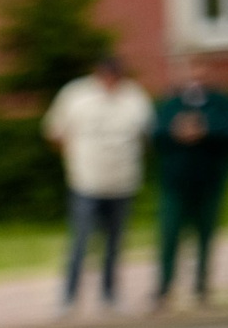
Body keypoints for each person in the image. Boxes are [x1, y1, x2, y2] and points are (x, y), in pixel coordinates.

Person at [44, 54, 152, 312]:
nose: (110, 81)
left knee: (115, 243)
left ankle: (110, 295)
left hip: (122, 181)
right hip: (86, 181)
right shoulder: (76, 95)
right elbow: (55, 132)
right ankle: (68, 298)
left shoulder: (134, 97)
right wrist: (75, 160)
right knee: (80, 241)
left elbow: (145, 136)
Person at [150, 63, 228, 308]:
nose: (196, 77)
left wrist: (204, 129)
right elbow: (157, 135)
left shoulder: (220, 103)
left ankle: (201, 287)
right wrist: (177, 131)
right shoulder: (171, 104)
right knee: (170, 233)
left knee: (205, 235)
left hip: (208, 182)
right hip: (176, 182)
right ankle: (164, 287)